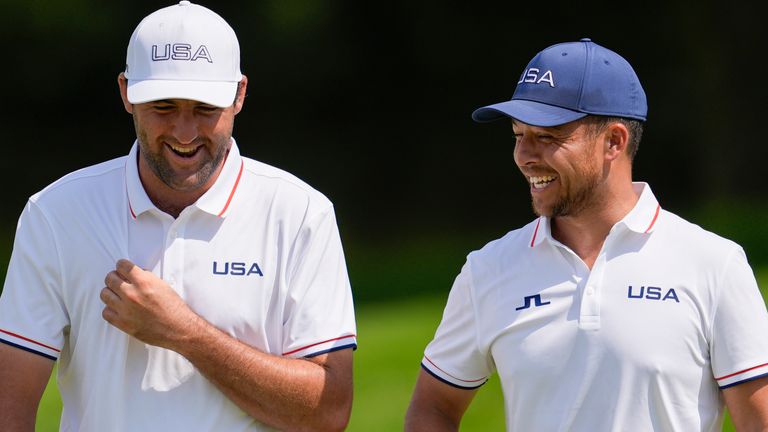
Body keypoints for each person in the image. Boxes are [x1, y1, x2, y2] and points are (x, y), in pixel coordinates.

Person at [0, 2, 356, 431]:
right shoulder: (56, 214)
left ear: (240, 95)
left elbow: (329, 413)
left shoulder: (300, 214)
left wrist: (183, 332)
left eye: (205, 108)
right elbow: (10, 407)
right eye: (164, 106)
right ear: (126, 93)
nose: (185, 133)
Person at [405, 38, 768, 431]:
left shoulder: (713, 264)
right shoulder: (486, 270)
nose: (525, 155)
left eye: (546, 137)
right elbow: (434, 408)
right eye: (517, 134)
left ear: (614, 141)